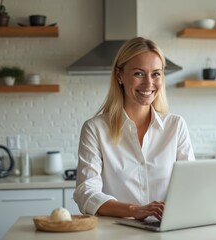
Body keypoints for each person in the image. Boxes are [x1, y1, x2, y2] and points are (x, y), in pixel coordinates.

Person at [74, 37, 195, 221]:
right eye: (138, 73)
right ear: (119, 75)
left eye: (156, 74)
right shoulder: (95, 129)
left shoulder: (176, 126)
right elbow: (86, 192)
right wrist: (134, 210)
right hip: (116, 234)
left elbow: (191, 185)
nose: (148, 83)